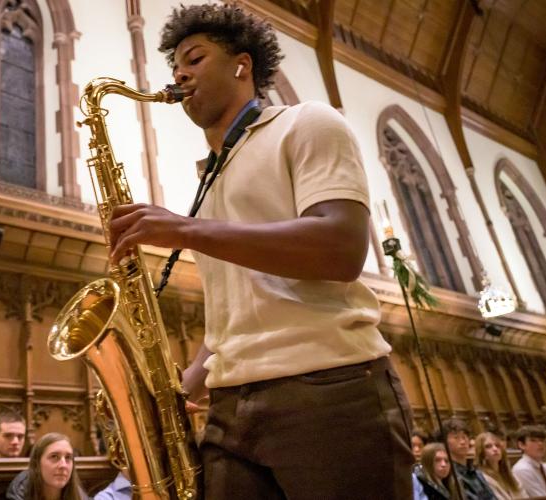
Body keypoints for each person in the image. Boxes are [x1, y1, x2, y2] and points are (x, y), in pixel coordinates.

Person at [108, 4, 413, 497]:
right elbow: (239, 311)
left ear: (241, 65)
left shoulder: (306, 123)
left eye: (194, 59)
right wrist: (181, 386)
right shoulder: (209, 178)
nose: (179, 75)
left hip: (329, 388)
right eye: (174, 67)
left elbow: (340, 249)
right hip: (230, 407)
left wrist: (186, 231)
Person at [4, 433, 84, 500]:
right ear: (37, 463)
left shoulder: (78, 493)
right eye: (54, 457)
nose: (63, 465)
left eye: (68, 457)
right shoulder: (20, 491)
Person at [441, 418, 495, 500]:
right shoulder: (448, 473)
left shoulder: (475, 470)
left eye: (464, 437)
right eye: (456, 438)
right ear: (444, 442)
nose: (463, 442)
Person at [474, 432, 527, 499]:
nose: (495, 449)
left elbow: (524, 496)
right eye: (488, 446)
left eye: (497, 446)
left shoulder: (511, 475)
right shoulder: (482, 478)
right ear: (481, 453)